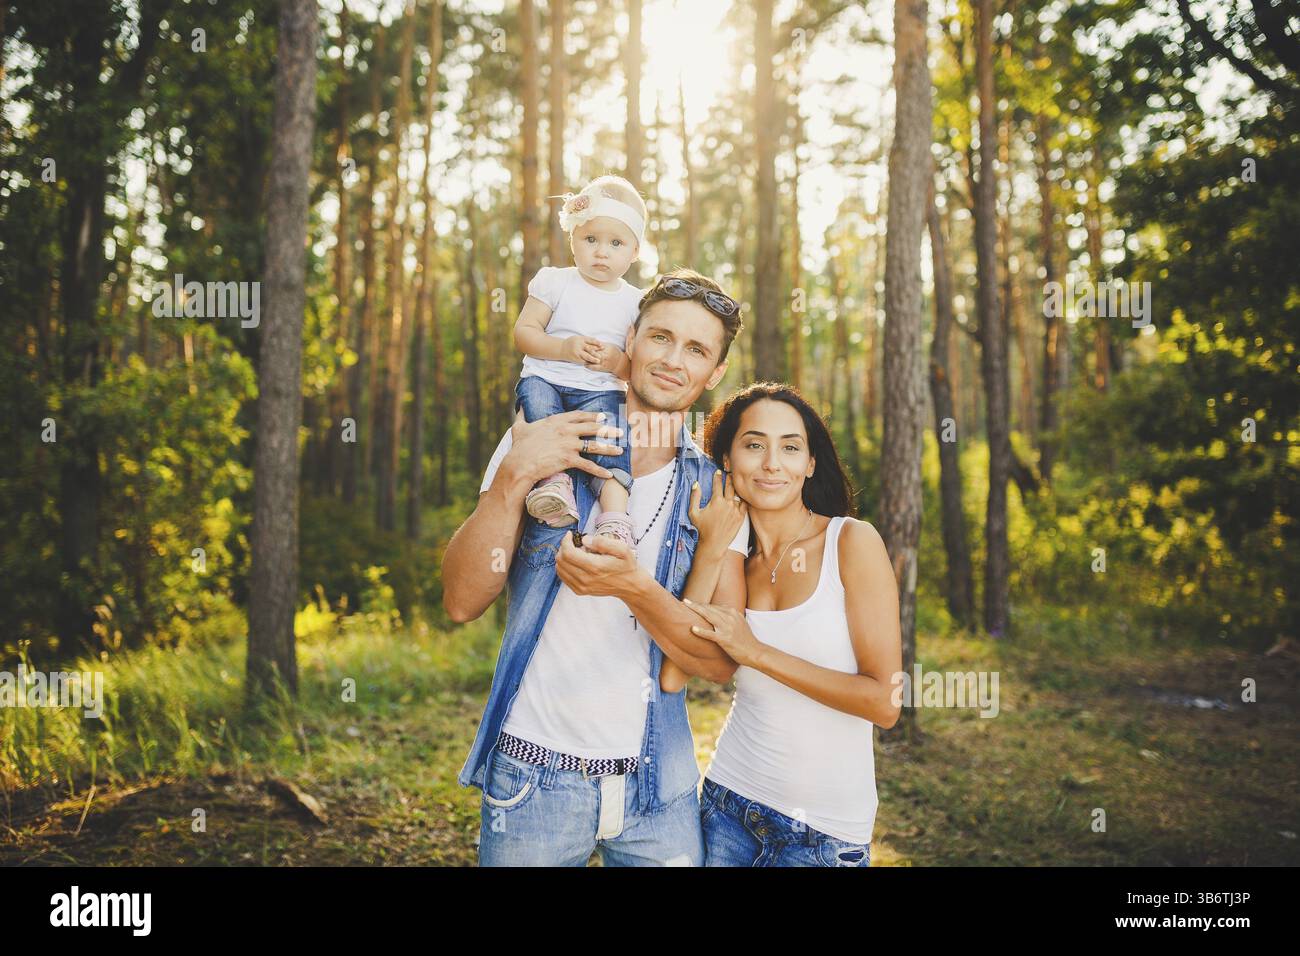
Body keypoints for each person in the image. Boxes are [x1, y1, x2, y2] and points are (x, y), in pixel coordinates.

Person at [442, 269, 747, 866]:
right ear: (629, 338)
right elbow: (460, 600)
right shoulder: (544, 439)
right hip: (531, 776)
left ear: (715, 374)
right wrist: (512, 477)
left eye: (696, 349)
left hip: (661, 791)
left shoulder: (717, 493)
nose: (671, 360)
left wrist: (633, 588)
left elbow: (716, 662)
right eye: (660, 337)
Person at [681, 383, 903, 866]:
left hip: (821, 836)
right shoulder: (736, 557)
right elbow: (688, 657)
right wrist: (713, 545)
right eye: (754, 444)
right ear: (727, 459)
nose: (771, 464)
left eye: (790, 447)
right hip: (727, 806)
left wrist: (757, 652)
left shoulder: (852, 542)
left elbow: (884, 703)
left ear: (811, 464)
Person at [512, 175, 645, 547]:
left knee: (614, 443)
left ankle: (615, 517)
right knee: (538, 408)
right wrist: (564, 348)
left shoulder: (636, 303)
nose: (601, 252)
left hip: (600, 390)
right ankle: (553, 484)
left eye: (616, 243)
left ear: (634, 251)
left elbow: (636, 371)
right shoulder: (555, 282)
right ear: (572, 239)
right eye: (591, 240)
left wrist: (617, 361)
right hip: (547, 378)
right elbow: (524, 333)